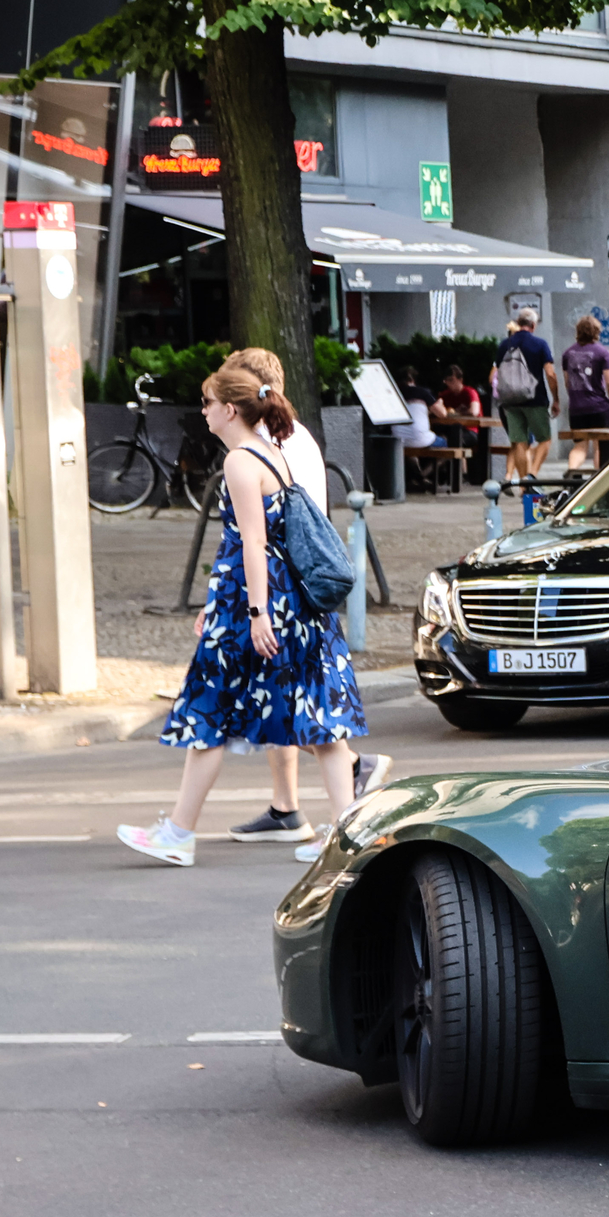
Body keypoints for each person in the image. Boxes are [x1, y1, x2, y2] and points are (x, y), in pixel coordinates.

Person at [117, 368, 366, 868]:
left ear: (229, 409)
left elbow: (253, 541)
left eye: (207, 402)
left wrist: (253, 613)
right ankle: (349, 833)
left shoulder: (239, 460)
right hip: (294, 605)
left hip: (256, 603)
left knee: (208, 709)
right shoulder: (271, 450)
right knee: (316, 717)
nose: (202, 411)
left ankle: (179, 833)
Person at [213, 348, 389, 848]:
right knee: (292, 705)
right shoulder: (288, 434)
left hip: (288, 594)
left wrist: (255, 607)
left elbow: (257, 537)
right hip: (298, 592)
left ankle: (350, 790)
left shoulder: (257, 447)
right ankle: (288, 805)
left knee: (309, 713)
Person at [490, 309, 559, 484]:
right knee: (545, 440)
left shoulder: (504, 344)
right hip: (535, 399)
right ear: (533, 325)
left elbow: (493, 375)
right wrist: (555, 398)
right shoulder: (540, 344)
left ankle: (523, 484)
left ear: (519, 323)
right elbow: (550, 374)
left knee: (519, 442)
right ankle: (532, 475)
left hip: (510, 402)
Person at [561, 316, 609, 473]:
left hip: (577, 408)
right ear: (596, 332)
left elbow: (568, 382)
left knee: (579, 445)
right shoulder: (602, 353)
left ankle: (572, 473)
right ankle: (599, 481)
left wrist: (575, 398)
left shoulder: (568, 354)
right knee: (600, 444)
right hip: (599, 407)